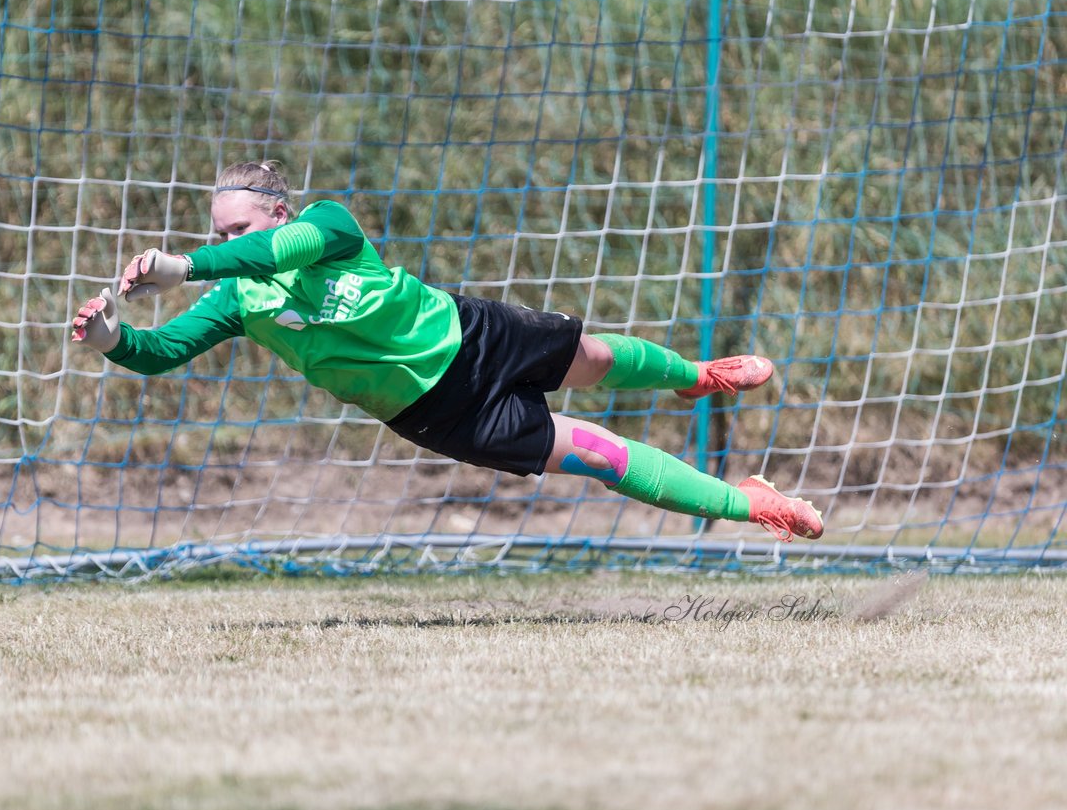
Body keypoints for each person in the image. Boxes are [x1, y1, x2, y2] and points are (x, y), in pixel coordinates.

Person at [72, 161, 823, 542]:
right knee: (601, 457)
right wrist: (108, 335)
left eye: (236, 231)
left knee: (591, 357)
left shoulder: (326, 226)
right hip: (438, 412)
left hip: (472, 336)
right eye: (215, 235)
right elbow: (159, 350)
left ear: (276, 212)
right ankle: (751, 504)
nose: (224, 245)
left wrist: (179, 266)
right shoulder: (239, 299)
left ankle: (695, 376)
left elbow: (276, 251)